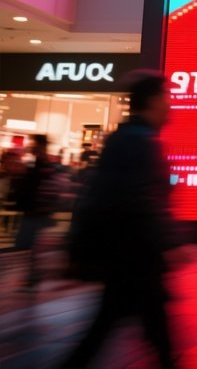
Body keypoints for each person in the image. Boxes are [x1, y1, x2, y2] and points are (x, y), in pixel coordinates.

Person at [62, 70, 177, 369]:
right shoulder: (139, 142)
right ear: (152, 101)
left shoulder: (127, 139)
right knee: (130, 323)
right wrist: (168, 242)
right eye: (166, 98)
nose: (170, 105)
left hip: (128, 252)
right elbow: (141, 199)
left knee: (114, 323)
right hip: (134, 254)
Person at [13, 134, 57, 289]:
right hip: (41, 211)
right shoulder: (47, 164)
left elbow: (29, 185)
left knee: (26, 244)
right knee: (34, 247)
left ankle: (33, 278)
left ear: (38, 145)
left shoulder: (36, 162)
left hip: (34, 211)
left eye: (32, 143)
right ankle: (34, 277)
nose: (30, 145)